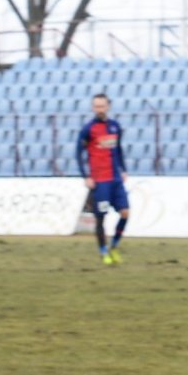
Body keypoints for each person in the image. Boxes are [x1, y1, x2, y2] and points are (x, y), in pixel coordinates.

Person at [77, 93, 129, 265]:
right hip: (101, 181)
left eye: (102, 106)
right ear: (93, 108)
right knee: (102, 217)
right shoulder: (88, 129)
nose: (99, 109)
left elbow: (118, 150)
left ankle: (113, 246)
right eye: (96, 106)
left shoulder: (115, 127)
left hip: (115, 179)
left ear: (108, 107)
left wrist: (123, 170)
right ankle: (103, 251)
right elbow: (78, 153)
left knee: (125, 213)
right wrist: (86, 176)